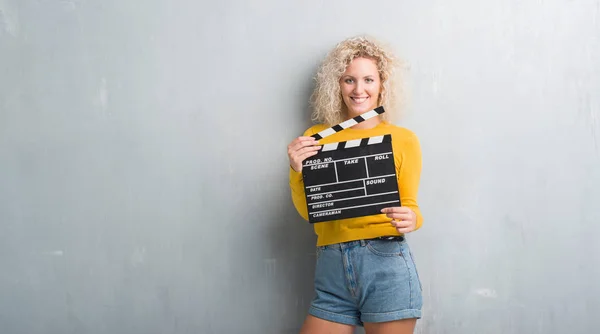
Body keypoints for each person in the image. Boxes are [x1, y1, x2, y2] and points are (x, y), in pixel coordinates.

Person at [287, 36, 424, 334]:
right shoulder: (315, 138)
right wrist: (297, 170)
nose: (359, 89)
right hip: (331, 268)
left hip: (385, 263)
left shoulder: (403, 140)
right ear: (337, 84)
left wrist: (412, 219)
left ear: (382, 84)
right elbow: (310, 211)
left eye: (368, 79)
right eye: (349, 80)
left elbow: (411, 207)